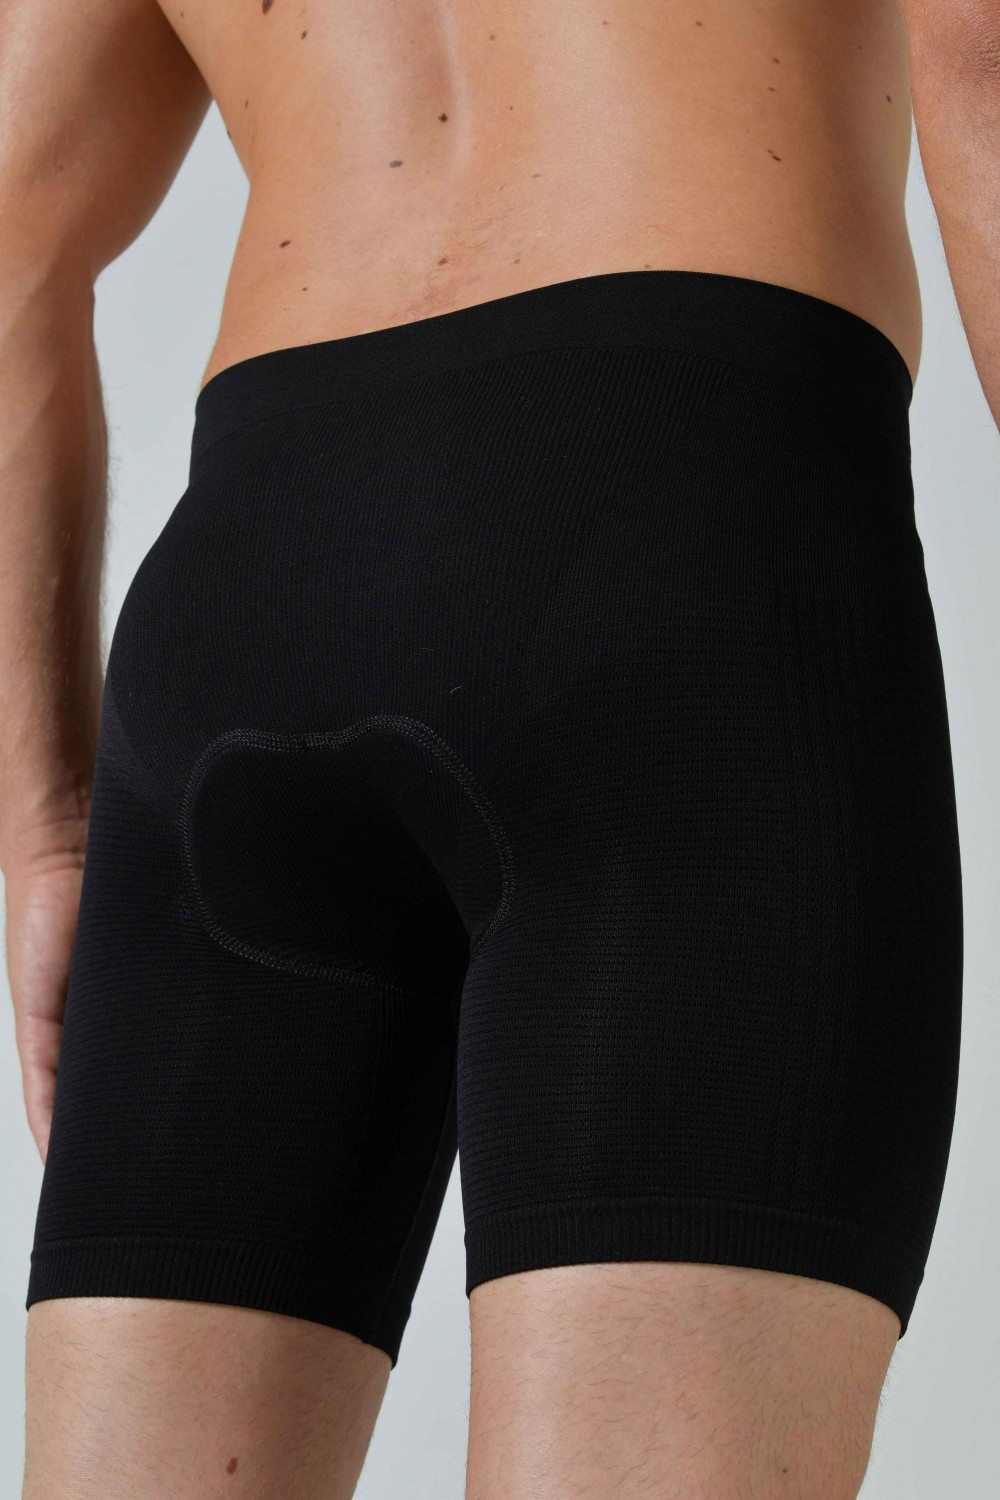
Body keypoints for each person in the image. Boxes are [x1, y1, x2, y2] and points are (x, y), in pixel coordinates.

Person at [0, 0, 987, 1494]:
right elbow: (979, 45)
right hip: (679, 547)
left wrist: (50, 827)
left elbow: (12, 230)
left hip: (254, 578)